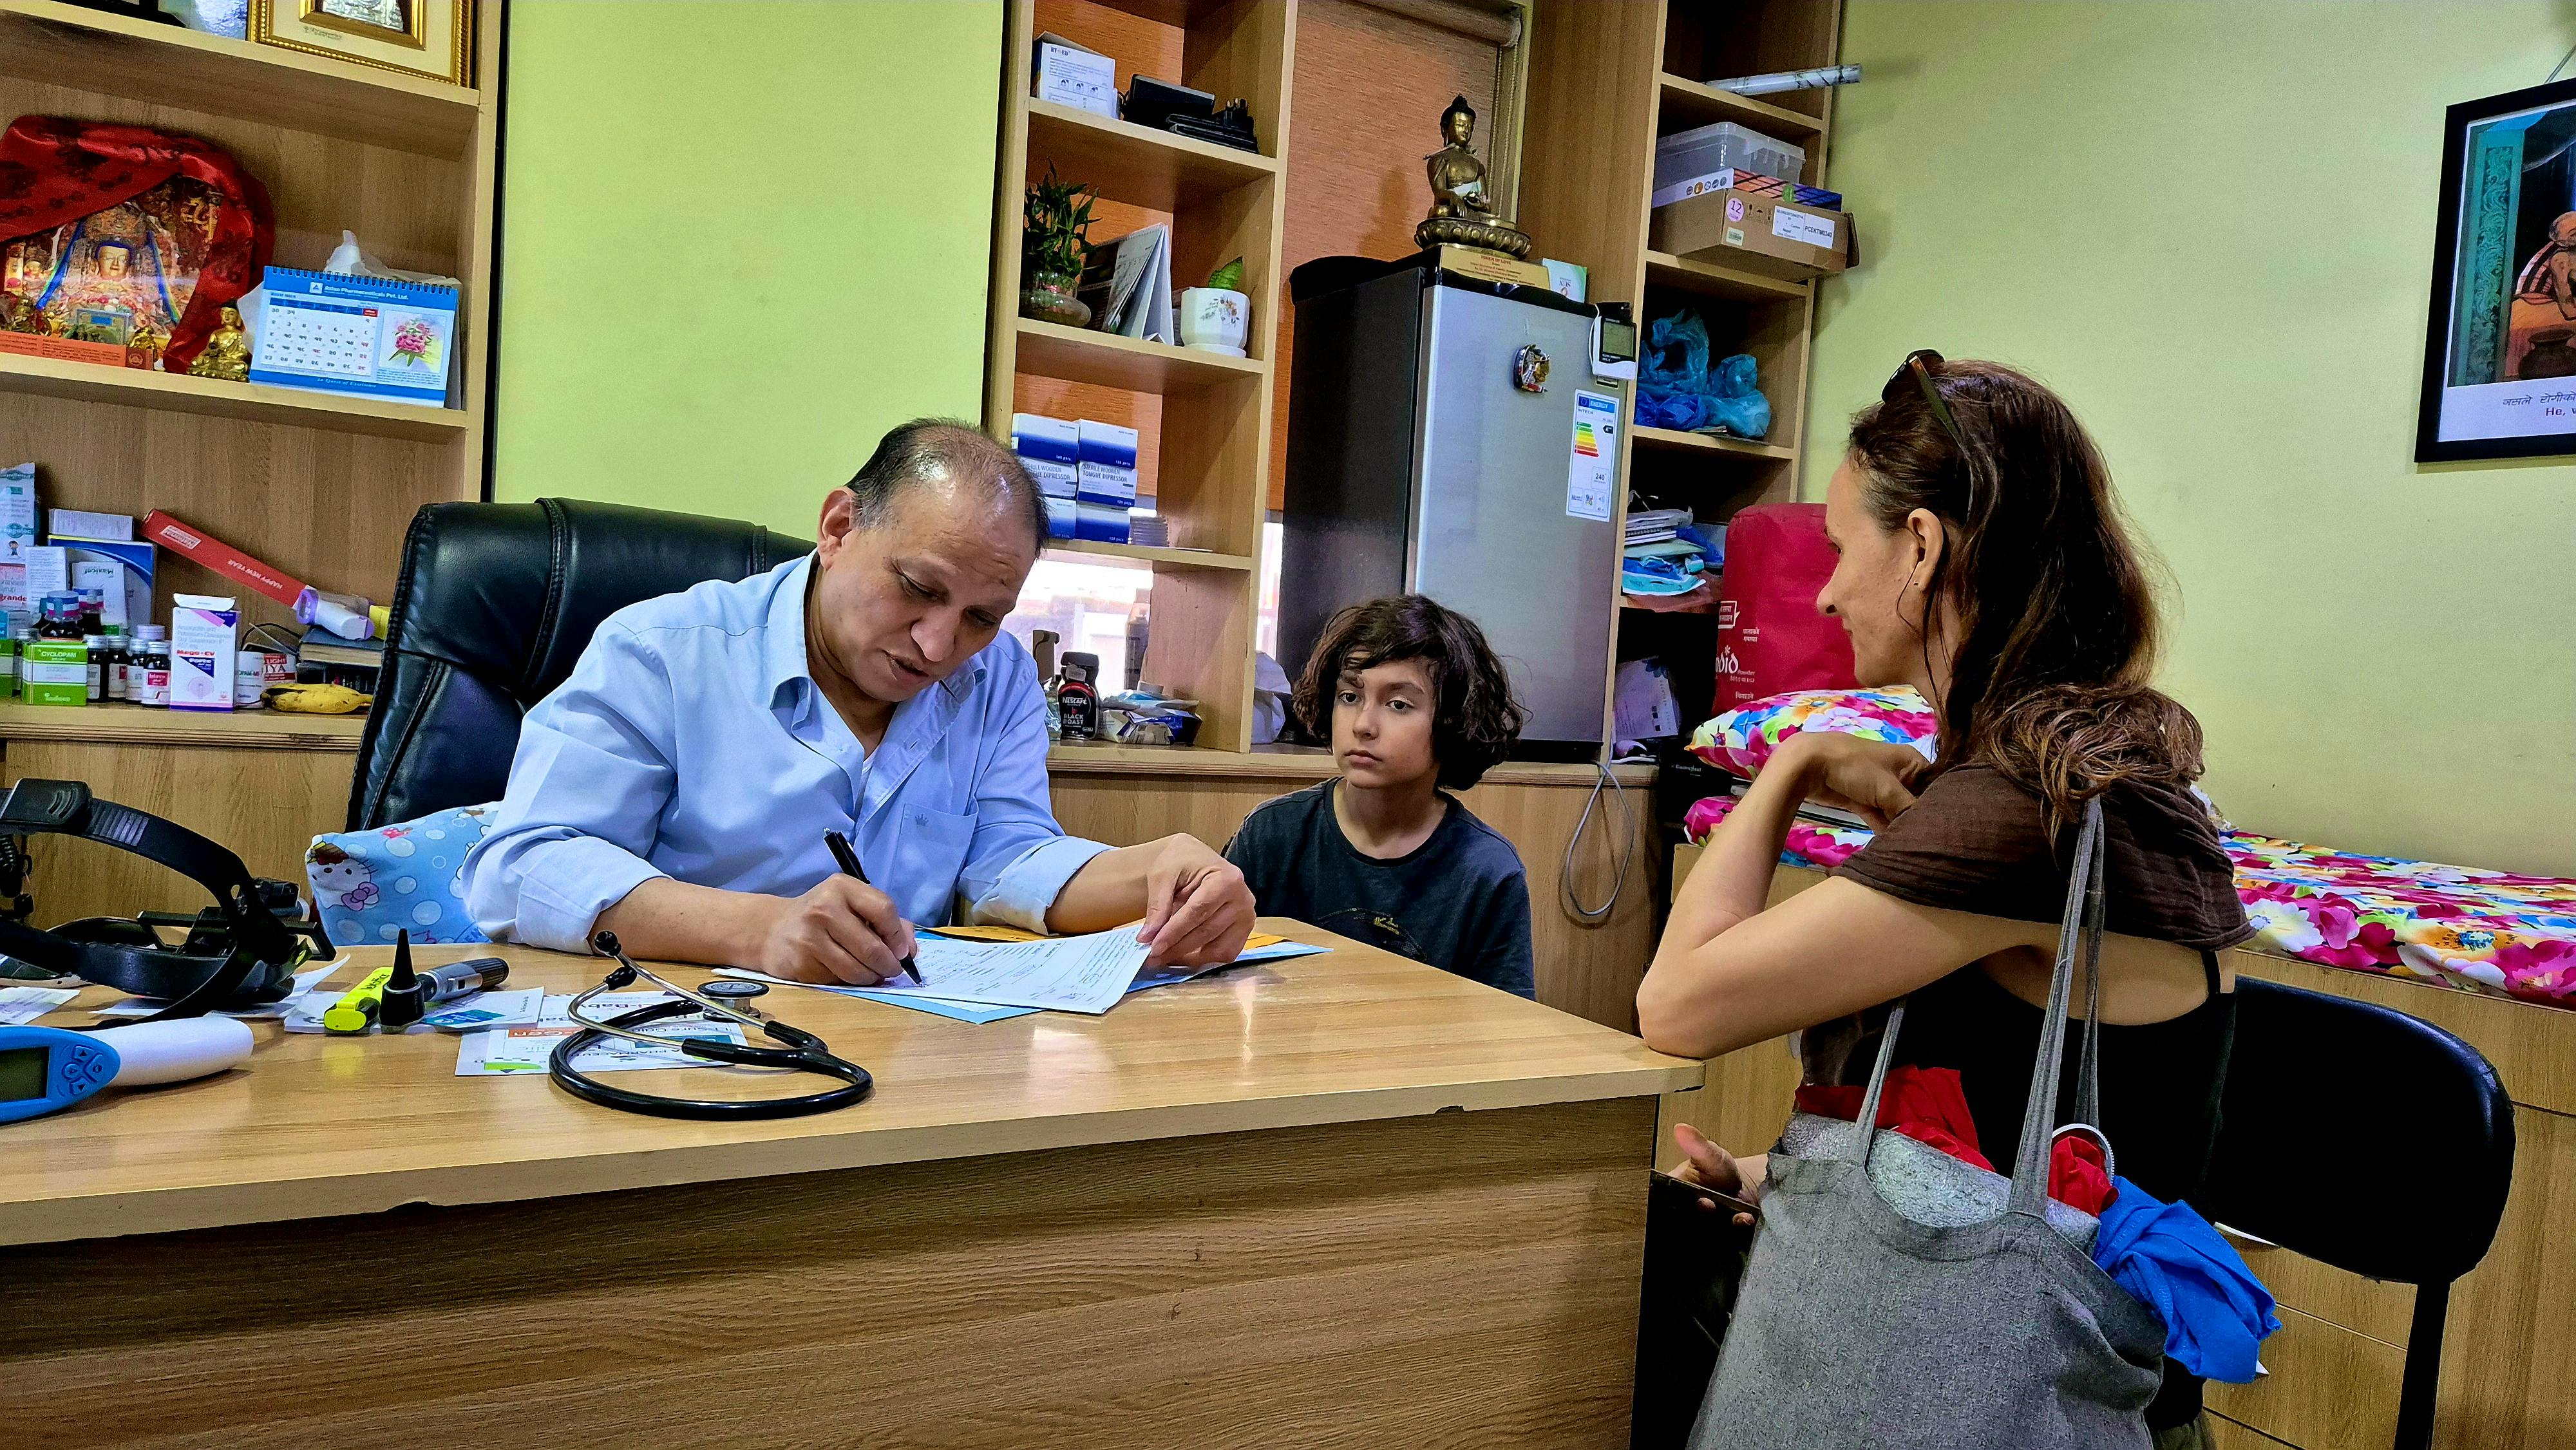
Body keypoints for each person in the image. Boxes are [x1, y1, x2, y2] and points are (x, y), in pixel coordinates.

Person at [1636, 355, 2251, 1447]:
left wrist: (1791, 767)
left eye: (1839, 548)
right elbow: (1997, 1099)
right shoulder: (2071, 770)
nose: (1824, 590)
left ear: (1921, 546)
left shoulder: (2026, 810)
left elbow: (1677, 1004)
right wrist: (1789, 1184)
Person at [462, 419, 1256, 983]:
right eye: (917, 588)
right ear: (839, 526)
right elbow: (523, 864)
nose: (939, 646)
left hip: (910, 1044)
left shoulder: (1001, 675)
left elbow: (1006, 857)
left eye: (982, 615)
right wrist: (760, 930)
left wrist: (1153, 873)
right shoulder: (665, 650)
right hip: (691, 1027)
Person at [1223, 595, 1536, 997]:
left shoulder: (1487, 870)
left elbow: (1506, 1028)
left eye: (1398, 704)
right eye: (1349, 697)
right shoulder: (1273, 834)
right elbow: (1210, 974)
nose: (1364, 725)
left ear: (1452, 721)